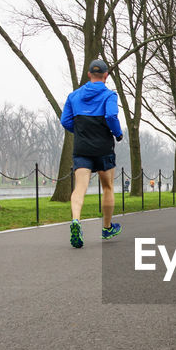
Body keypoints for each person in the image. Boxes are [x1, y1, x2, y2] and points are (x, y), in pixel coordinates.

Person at [59, 58, 124, 248]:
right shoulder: (109, 95)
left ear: (89, 74)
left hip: (82, 147)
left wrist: (80, 131)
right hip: (103, 147)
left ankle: (76, 221)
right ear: (106, 75)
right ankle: (106, 227)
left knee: (80, 188)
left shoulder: (74, 96)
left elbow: (65, 121)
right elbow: (111, 116)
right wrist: (118, 134)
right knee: (108, 187)